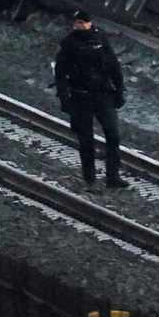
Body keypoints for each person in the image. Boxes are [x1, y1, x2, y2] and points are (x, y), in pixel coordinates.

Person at [53, 10, 127, 188]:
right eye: (77, 22)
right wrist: (65, 99)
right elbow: (60, 73)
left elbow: (114, 66)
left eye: (83, 22)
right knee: (86, 140)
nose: (80, 26)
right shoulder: (69, 43)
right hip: (80, 96)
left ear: (90, 23)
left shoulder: (101, 40)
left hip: (103, 95)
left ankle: (113, 176)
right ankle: (90, 179)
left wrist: (119, 90)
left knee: (113, 135)